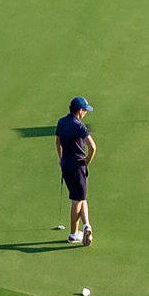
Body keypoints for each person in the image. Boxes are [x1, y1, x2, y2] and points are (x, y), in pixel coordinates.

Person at [55, 97, 97, 246]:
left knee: (81, 196)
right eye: (85, 110)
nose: (86, 112)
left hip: (66, 165)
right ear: (80, 111)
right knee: (77, 201)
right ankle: (73, 234)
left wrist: (61, 159)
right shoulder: (80, 126)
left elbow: (58, 141)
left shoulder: (61, 122)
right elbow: (93, 147)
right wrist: (86, 161)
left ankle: (86, 225)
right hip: (77, 166)